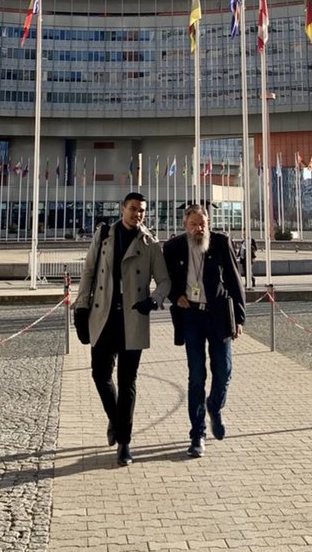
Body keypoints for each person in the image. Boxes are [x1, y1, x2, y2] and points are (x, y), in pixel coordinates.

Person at [74, 192, 170, 466]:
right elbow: (89, 272)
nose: (137, 214)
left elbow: (164, 281)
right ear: (122, 209)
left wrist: (154, 300)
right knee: (100, 374)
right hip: (103, 316)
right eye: (133, 209)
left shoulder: (150, 244)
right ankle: (116, 421)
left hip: (133, 319)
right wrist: (81, 307)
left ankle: (125, 443)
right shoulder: (104, 235)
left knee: (128, 380)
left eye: (142, 210)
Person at [163, 203, 245, 458]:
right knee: (196, 375)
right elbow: (165, 279)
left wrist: (239, 318)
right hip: (191, 316)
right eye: (194, 224)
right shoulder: (173, 246)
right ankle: (197, 433)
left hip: (218, 315)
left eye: (203, 224)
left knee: (224, 369)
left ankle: (215, 406)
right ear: (185, 226)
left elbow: (234, 278)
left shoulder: (220, 242)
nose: (199, 229)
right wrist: (176, 296)